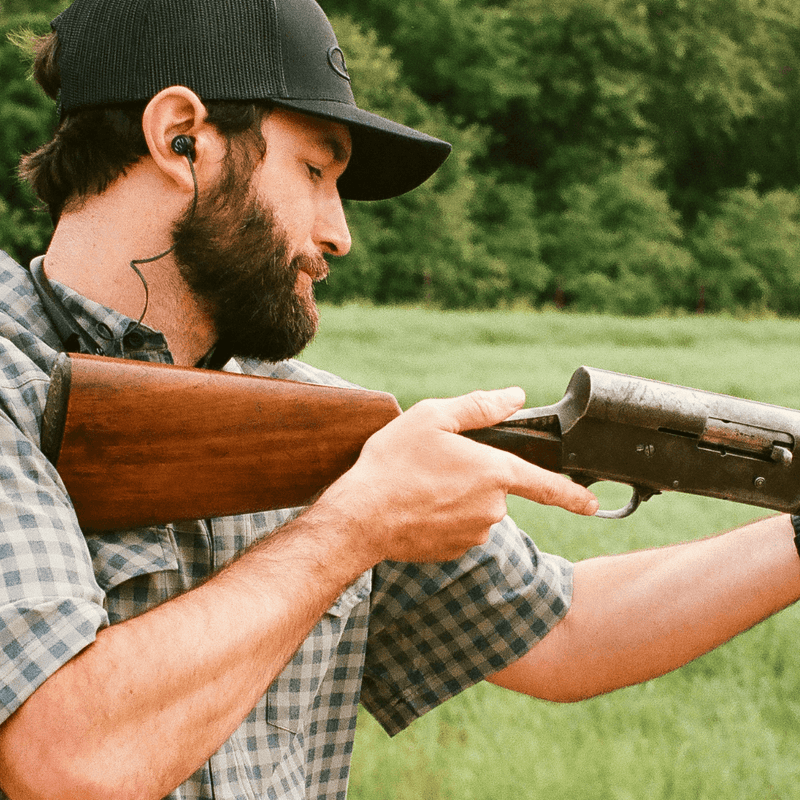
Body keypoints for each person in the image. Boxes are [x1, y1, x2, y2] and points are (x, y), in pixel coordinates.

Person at [0, 0, 797, 798]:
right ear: (182, 136)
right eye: (314, 171)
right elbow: (66, 763)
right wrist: (351, 529)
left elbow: (568, 632)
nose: (339, 232)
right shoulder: (14, 393)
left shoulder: (312, 422)